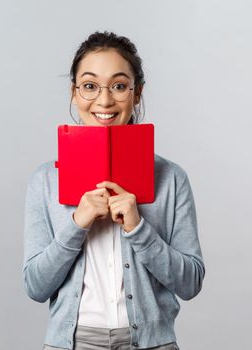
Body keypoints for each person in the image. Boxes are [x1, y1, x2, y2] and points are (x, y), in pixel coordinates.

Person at [22, 31, 205, 350]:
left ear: (137, 94)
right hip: (73, 343)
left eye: (119, 86)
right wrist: (77, 223)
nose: (104, 101)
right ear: (74, 93)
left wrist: (138, 228)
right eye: (90, 86)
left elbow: (190, 283)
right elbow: (36, 286)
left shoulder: (171, 177)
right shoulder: (45, 180)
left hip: (151, 343)